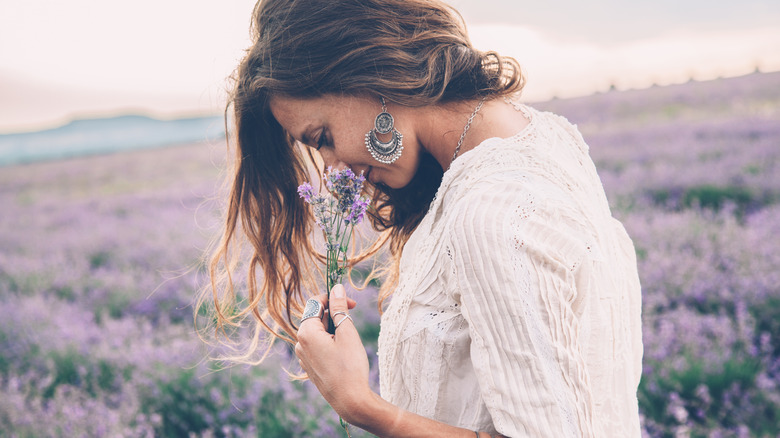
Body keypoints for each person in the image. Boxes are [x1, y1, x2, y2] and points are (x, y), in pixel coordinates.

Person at [202, 0, 643, 436]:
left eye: (323, 138)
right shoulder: (545, 136)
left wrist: (365, 406)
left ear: (367, 75)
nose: (333, 168)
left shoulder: (491, 213)